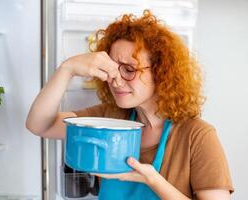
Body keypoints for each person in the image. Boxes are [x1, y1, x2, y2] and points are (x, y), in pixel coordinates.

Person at [26, 10, 234, 200]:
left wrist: (153, 180)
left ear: (161, 72)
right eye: (113, 69)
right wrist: (67, 68)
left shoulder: (197, 136)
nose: (116, 80)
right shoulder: (110, 118)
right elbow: (40, 125)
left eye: (129, 69)